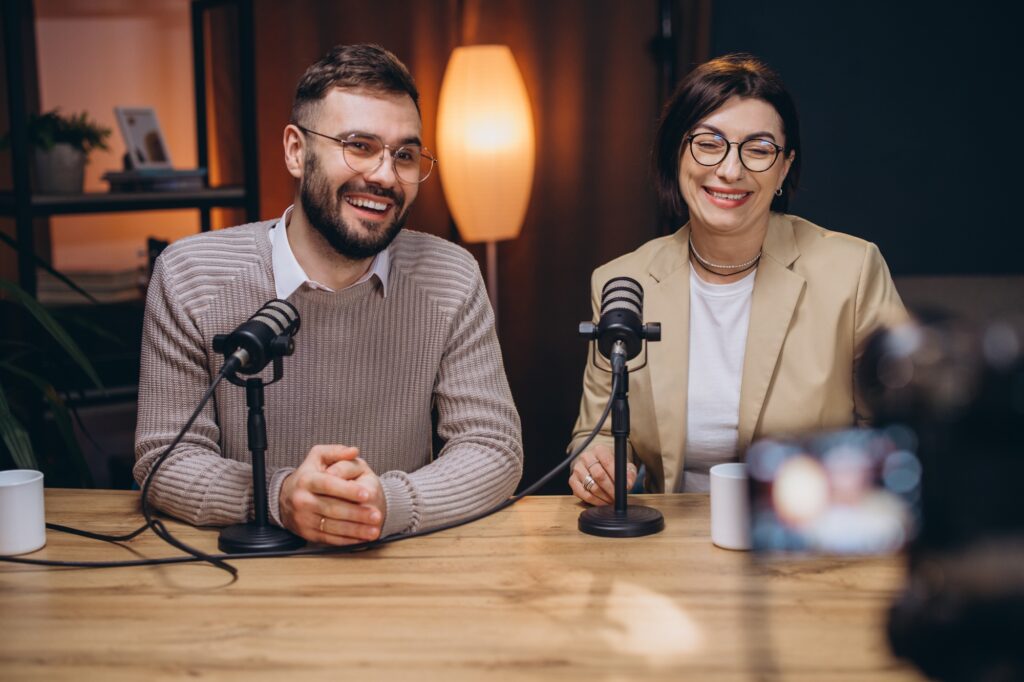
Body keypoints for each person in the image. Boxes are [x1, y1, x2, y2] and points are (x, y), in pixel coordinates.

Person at [134, 44, 523, 545]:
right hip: (245, 572)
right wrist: (278, 498)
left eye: (404, 154)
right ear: (296, 151)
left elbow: (493, 448)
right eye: (359, 145)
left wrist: (384, 502)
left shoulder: (451, 276)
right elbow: (165, 456)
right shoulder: (190, 275)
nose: (385, 175)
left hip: (403, 565)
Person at [568, 53, 906, 502]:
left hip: (801, 543)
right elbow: (597, 435)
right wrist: (601, 469)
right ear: (676, 153)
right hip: (665, 548)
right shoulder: (624, 280)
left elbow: (897, 435)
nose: (730, 170)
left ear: (784, 167)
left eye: (759, 150)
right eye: (708, 143)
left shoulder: (852, 271)